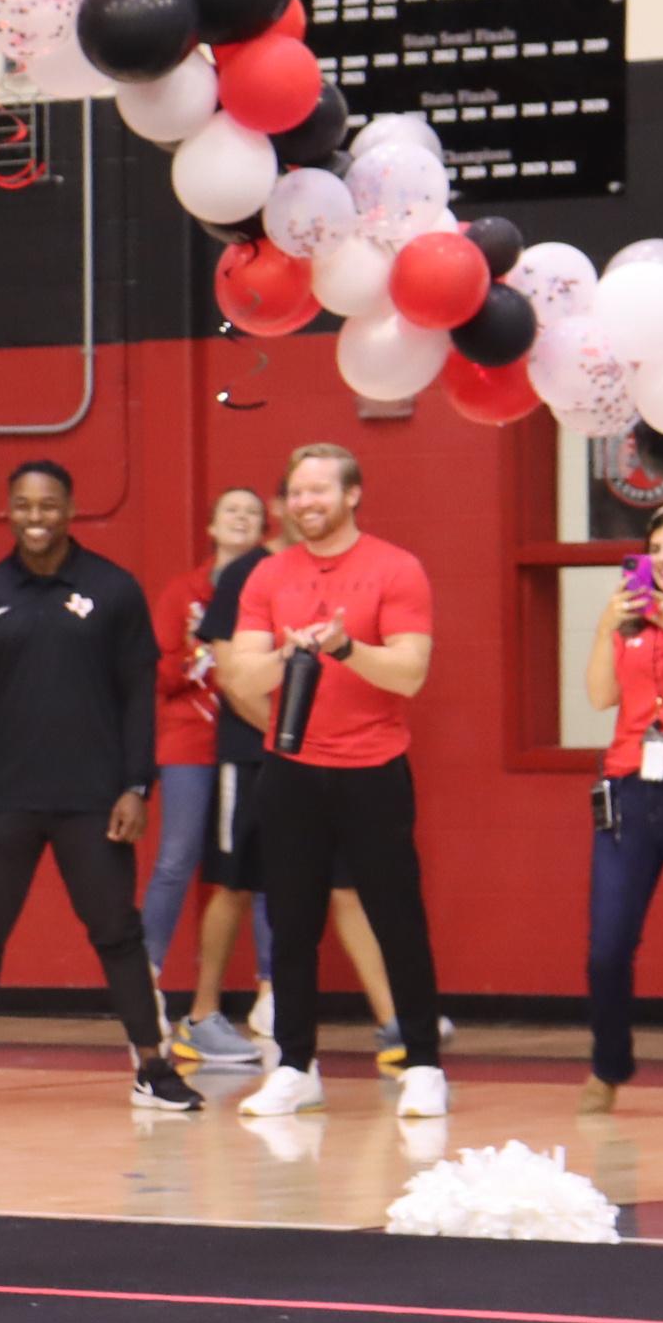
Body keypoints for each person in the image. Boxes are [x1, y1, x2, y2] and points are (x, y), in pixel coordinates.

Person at [0, 463, 207, 1117]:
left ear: (70, 510)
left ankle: (153, 1068)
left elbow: (138, 697)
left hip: (93, 798)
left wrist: (137, 786)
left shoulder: (114, 590)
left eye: (47, 505)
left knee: (118, 933)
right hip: (1, 798)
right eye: (22, 505)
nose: (35, 517)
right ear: (9, 511)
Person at [221, 443, 445, 1121]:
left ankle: (423, 1065)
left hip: (374, 768)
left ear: (352, 495)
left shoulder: (395, 568)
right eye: (296, 492)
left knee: (397, 918)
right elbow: (240, 675)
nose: (305, 503)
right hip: (291, 769)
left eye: (319, 490)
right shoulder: (267, 575)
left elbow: (409, 672)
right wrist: (288, 655)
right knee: (290, 924)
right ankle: (295, 1067)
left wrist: (346, 648)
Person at [150, 484, 278, 1065]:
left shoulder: (270, 584)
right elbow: (158, 670)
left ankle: (269, 993)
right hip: (191, 742)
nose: (242, 518)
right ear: (211, 526)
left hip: (248, 744)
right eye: (232, 510)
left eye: (253, 512)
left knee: (259, 869)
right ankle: (146, 979)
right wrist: (201, 658)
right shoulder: (185, 591)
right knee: (178, 858)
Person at [580, 499, 663, 1115]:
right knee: (607, 946)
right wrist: (604, 628)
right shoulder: (631, 621)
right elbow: (598, 696)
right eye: (657, 548)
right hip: (628, 786)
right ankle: (608, 1066)